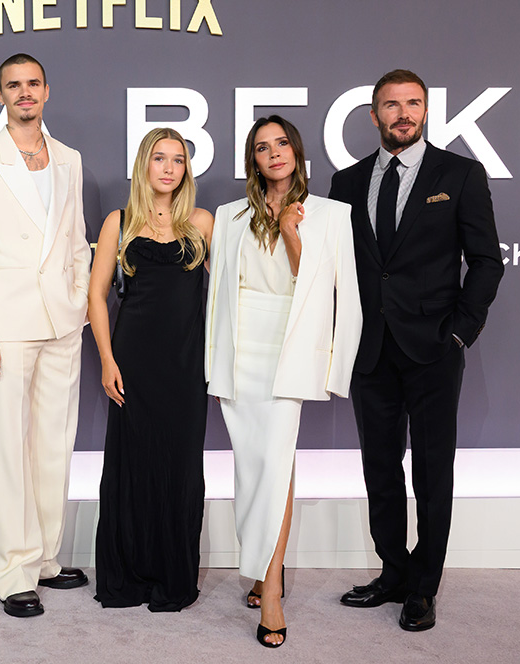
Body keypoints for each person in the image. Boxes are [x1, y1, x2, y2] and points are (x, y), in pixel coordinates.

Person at [328, 69, 503, 632]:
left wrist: (460, 333)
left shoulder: (460, 174)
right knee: (379, 468)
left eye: (412, 104)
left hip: (433, 348)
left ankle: (424, 586)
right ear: (374, 114)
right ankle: (393, 572)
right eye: (390, 105)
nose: (402, 113)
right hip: (371, 351)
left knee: (431, 472)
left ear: (425, 111)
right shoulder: (347, 182)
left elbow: (486, 261)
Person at [205, 115, 362, 646]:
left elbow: (337, 296)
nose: (273, 154)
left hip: (288, 351)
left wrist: (293, 232)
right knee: (255, 468)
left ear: (297, 151)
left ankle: (270, 588)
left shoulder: (331, 215)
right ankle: (257, 566)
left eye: (281, 144)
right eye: (262, 147)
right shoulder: (229, 216)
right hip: (239, 352)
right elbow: (219, 296)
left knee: (275, 463)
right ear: (253, 159)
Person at [0, 53, 92, 617]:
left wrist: (80, 303)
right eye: (14, 85)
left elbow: (78, 239)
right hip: (5, 327)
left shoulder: (70, 159)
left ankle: (45, 558)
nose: (25, 92)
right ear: (0, 95)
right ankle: (12, 571)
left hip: (63, 321)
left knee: (54, 442)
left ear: (47, 91)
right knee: (9, 447)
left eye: (33, 84)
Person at [87, 128, 214, 612]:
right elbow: (97, 296)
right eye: (158, 158)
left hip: (185, 367)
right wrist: (107, 359)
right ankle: (129, 577)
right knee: (131, 468)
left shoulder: (201, 222)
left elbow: (227, 297)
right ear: (143, 165)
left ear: (186, 169)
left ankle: (171, 576)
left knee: (181, 470)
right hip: (132, 363)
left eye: (177, 159)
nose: (167, 167)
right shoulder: (117, 223)